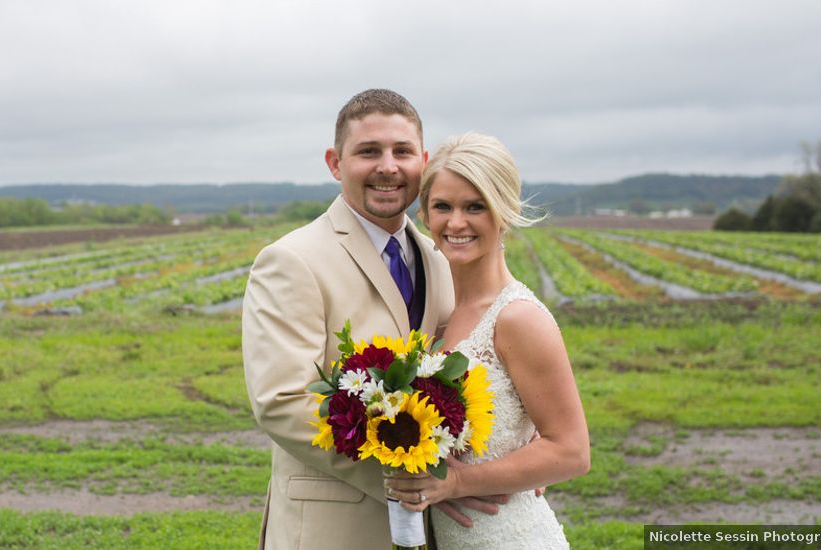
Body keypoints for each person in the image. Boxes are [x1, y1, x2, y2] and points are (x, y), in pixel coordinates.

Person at [242, 90, 497, 550]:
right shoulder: (291, 260)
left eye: (402, 151)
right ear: (334, 163)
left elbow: (464, 360)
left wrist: (505, 458)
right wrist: (411, 478)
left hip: (434, 530)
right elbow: (280, 402)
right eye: (368, 152)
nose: (388, 166)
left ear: (422, 160)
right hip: (333, 528)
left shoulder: (439, 257)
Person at [385, 132, 591, 549]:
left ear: (504, 212)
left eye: (475, 207)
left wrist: (458, 481)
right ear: (424, 213)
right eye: (443, 206)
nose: (456, 223)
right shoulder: (440, 311)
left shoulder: (517, 317)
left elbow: (571, 451)